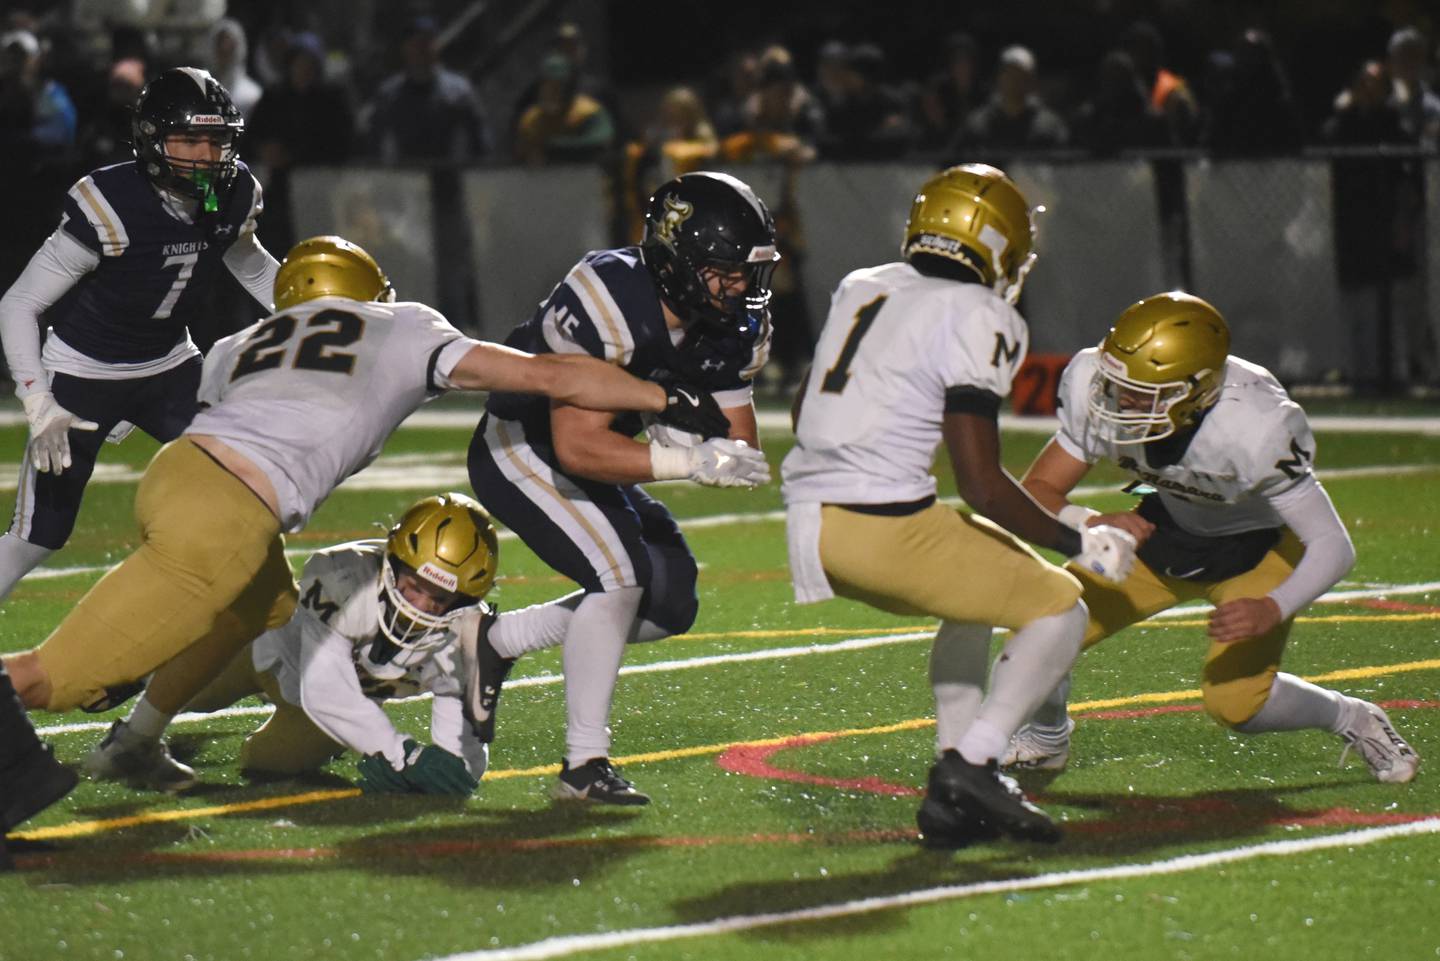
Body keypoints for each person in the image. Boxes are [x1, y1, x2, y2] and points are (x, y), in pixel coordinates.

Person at [2, 234, 738, 784]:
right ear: (366, 289)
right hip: (231, 512)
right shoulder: (403, 325)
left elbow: (214, 409)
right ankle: (92, 725)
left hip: (181, 476)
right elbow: (545, 374)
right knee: (55, 677)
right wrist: (663, 396)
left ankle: (136, 741)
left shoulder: (238, 342)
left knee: (258, 611)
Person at [780, 164, 1137, 846]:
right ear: (998, 244)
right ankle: (972, 763)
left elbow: (805, 410)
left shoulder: (865, 284)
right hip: (884, 527)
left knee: (975, 595)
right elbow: (982, 482)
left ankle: (955, 791)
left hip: (811, 523)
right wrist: (1078, 542)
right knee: (1062, 607)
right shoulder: (983, 314)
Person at [1000, 292, 1420, 784]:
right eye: (1116, 384)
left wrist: (1273, 605)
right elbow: (1037, 491)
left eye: (1141, 393)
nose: (1119, 401)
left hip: (1255, 551)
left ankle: (1353, 717)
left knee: (1237, 705)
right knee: (1041, 625)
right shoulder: (1099, 389)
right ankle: (1048, 738)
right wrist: (1088, 520)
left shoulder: (1256, 427)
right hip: (1165, 534)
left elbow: (1333, 545)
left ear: (1195, 391)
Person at [466, 171, 777, 805]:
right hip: (524, 445)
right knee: (621, 576)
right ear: (675, 259)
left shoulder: (729, 325)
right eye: (724, 272)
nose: (740, 287)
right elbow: (579, 444)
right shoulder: (609, 295)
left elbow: (738, 438)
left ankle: (493, 643)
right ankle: (584, 766)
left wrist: (711, 448)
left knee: (669, 602)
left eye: (749, 271)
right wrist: (685, 459)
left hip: (586, 453)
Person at [0, 67, 274, 607]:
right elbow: (19, 304)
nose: (204, 155)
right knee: (37, 536)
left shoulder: (233, 192)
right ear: (152, 139)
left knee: (246, 476)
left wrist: (332, 315)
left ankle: (220, 620)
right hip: (82, 375)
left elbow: (255, 267)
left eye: (216, 140)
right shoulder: (110, 202)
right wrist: (37, 400)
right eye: (188, 139)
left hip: (170, 366)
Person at [88, 493, 502, 796]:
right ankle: (140, 676)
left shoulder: (467, 634)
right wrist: (401, 754)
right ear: (393, 561)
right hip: (268, 650)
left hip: (320, 715)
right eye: (414, 587)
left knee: (262, 765)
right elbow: (326, 687)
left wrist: (454, 768)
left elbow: (464, 737)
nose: (421, 607)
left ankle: (330, 742)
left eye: (440, 599)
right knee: (185, 689)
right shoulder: (344, 575)